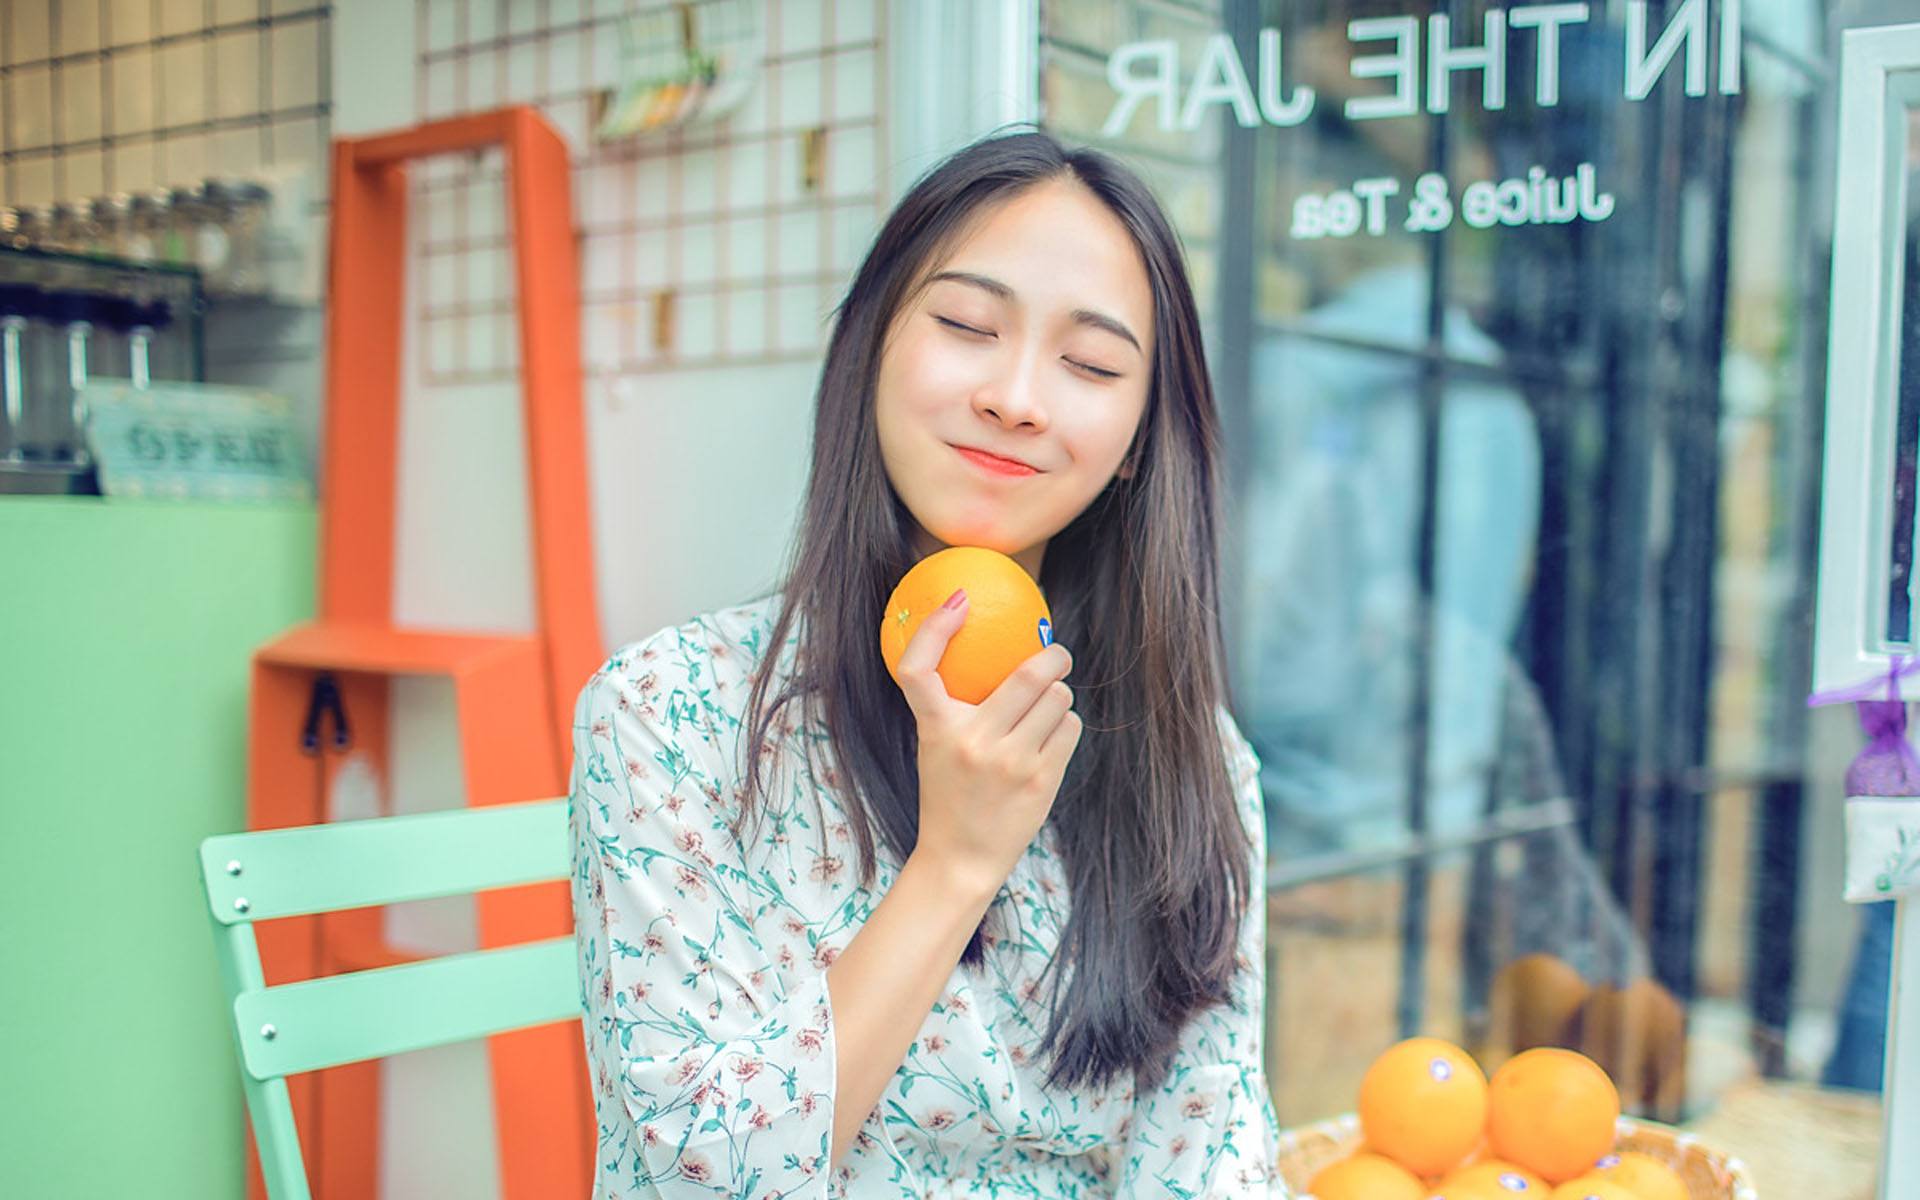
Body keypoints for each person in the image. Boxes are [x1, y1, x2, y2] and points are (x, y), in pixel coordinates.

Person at [568, 128, 1286, 1198]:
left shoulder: (1194, 761)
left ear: (1137, 438)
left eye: (1090, 364)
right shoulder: (667, 716)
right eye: (964, 325)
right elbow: (703, 1176)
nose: (1017, 397)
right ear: (871, 347)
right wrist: (955, 863)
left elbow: (1206, 1153)